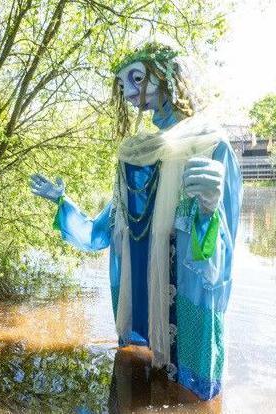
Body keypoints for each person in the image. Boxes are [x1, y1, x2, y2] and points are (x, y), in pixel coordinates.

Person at [29, 43, 242, 400]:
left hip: (188, 296)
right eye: (123, 83)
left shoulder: (210, 145)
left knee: (189, 395)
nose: (129, 92)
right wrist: (63, 203)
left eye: (138, 78)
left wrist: (209, 210)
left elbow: (225, 255)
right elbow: (105, 231)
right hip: (142, 292)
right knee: (141, 379)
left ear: (169, 76)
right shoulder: (136, 154)